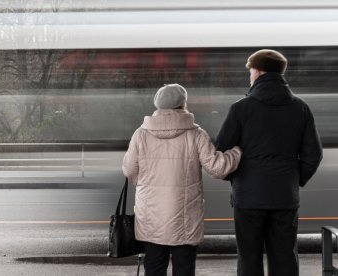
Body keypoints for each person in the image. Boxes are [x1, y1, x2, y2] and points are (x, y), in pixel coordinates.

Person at [214, 49, 323, 276]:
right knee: (284, 257)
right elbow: (314, 154)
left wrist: (235, 177)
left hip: (248, 198)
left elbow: (221, 151)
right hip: (284, 196)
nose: (250, 75)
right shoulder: (300, 108)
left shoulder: (241, 108)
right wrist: (295, 178)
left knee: (249, 257)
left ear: (259, 71)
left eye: (251, 70)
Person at [122, 83, 242, 276]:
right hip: (185, 219)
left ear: (157, 105)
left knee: (153, 268)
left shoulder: (140, 134)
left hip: (151, 216)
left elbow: (129, 170)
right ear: (183, 104)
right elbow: (218, 168)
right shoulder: (196, 134)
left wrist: (146, 185)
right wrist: (236, 152)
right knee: (184, 269)